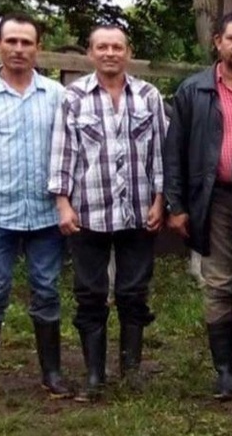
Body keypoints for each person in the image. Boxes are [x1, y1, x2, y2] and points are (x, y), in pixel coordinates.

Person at [48, 25, 168, 402]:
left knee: (134, 292)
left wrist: (161, 200)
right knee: (90, 293)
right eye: (103, 47)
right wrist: (62, 202)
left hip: (138, 210)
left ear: (128, 53)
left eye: (117, 47)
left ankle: (131, 372)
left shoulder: (149, 96)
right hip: (88, 211)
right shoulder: (73, 97)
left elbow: (162, 153)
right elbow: (63, 152)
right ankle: (94, 376)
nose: (110, 53)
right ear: (90, 52)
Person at [163, 10, 232, 401]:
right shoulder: (193, 90)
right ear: (217, 42)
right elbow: (175, 152)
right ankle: (225, 372)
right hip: (216, 197)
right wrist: (176, 204)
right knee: (220, 284)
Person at [0, 12, 71, 400]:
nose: (18, 49)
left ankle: (52, 373)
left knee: (46, 289)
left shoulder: (56, 95)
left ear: (38, 48)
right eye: (11, 41)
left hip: (46, 212)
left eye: (26, 42)